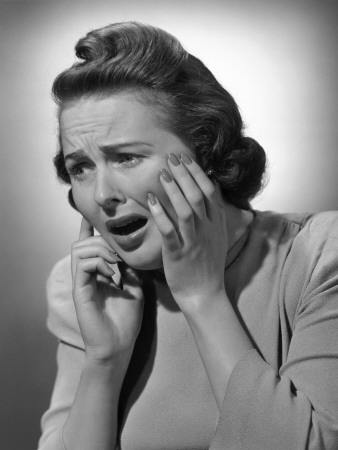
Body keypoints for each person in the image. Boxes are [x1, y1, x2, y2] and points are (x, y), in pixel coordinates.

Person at [38, 22, 338, 450]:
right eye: (80, 167)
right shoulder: (83, 287)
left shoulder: (320, 256)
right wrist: (104, 360)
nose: (102, 195)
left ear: (206, 152)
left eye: (126, 158)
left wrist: (201, 296)